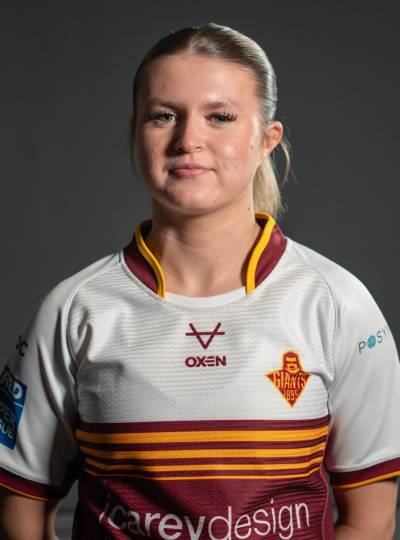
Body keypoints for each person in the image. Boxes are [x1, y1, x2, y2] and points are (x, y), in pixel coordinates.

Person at [0, 21, 399, 540]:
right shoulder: (73, 310)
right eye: (163, 116)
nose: (188, 140)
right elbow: (21, 514)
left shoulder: (339, 303)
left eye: (220, 117)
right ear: (136, 134)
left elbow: (371, 522)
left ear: (267, 140)